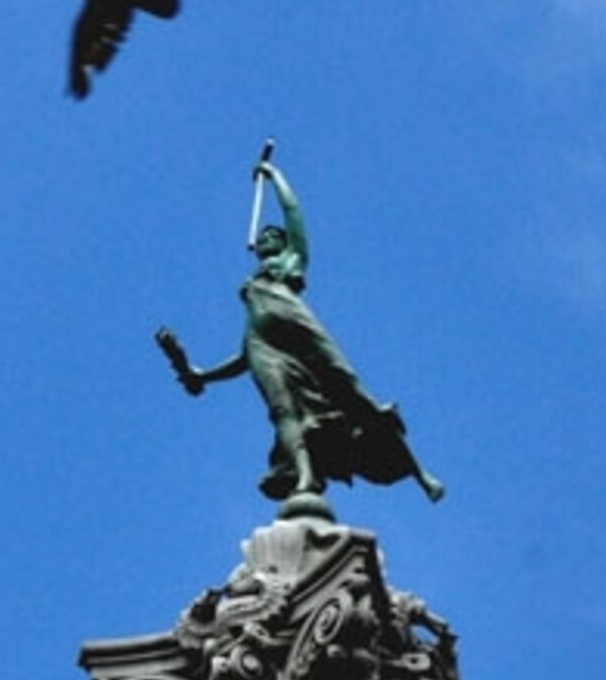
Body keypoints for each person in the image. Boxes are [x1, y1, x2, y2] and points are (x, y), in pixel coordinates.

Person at [156, 156, 444, 506]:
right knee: (283, 411)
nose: (265, 238)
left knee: (346, 383)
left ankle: (419, 474)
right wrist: (202, 374)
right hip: (263, 346)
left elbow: (293, 213)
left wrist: (273, 175)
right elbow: (246, 353)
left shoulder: (292, 260)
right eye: (262, 236)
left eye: (272, 235)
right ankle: (305, 474)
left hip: (297, 324)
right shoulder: (252, 289)